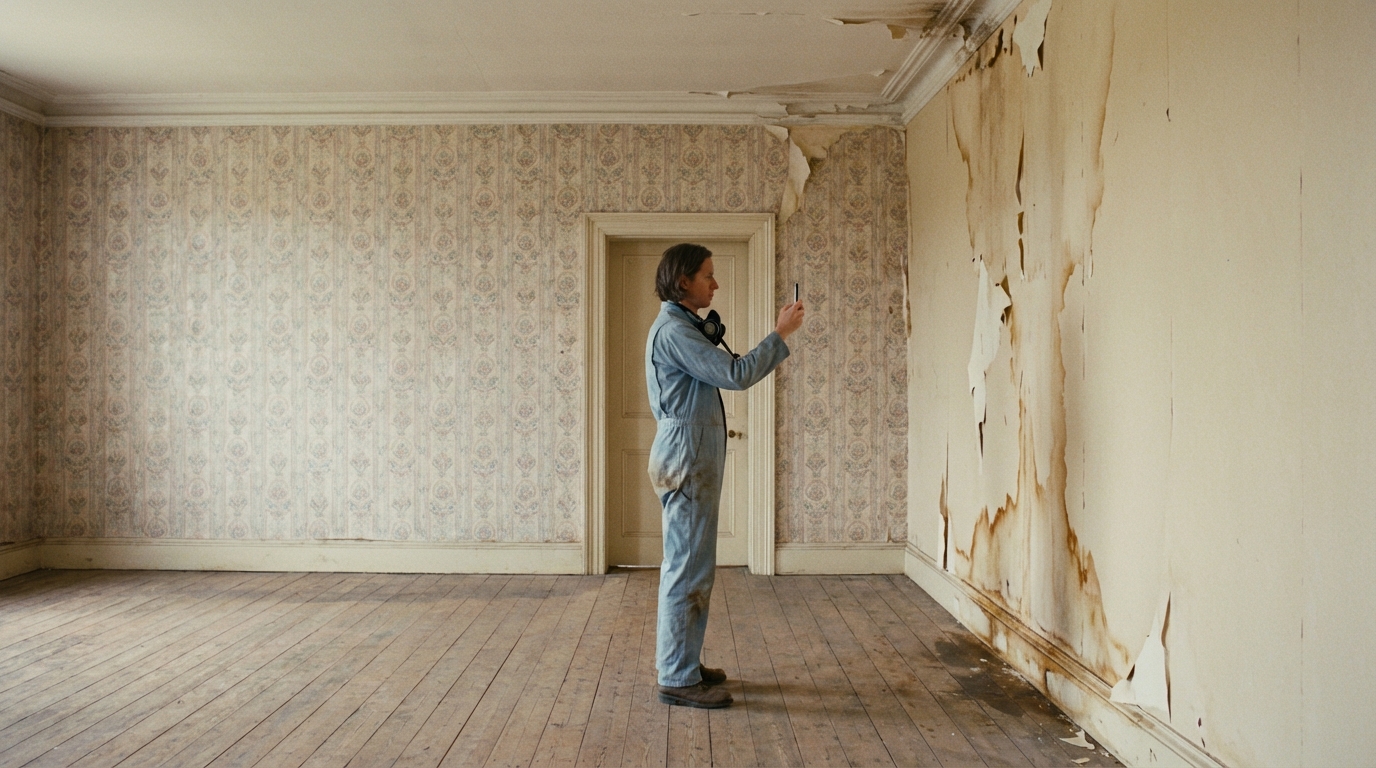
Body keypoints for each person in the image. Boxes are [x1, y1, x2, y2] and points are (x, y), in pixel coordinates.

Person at [645, 243, 805, 709]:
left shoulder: (684, 326)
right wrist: (779, 334)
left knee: (693, 565)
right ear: (683, 283)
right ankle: (676, 675)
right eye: (707, 276)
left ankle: (684, 664)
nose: (715, 284)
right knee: (686, 569)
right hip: (687, 456)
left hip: (690, 454)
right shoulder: (675, 332)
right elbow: (735, 373)